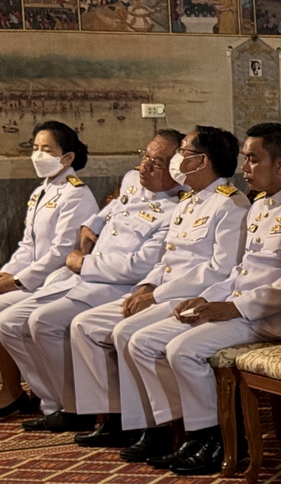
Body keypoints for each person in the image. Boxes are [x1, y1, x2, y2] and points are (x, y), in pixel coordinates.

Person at [125, 122, 281, 475]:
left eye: (253, 160)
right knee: (143, 341)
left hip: (273, 319)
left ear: (280, 164)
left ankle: (213, 438)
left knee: (182, 349)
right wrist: (204, 300)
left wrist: (233, 307)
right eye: (245, 159)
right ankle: (182, 432)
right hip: (239, 306)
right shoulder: (261, 205)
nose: (245, 168)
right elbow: (239, 272)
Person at [69, 126, 249, 456]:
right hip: (165, 291)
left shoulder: (230, 205)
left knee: (131, 335)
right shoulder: (188, 202)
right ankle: (142, 423)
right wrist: (147, 286)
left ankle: (164, 426)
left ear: (201, 161)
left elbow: (218, 271)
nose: (177, 159)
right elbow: (167, 258)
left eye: (183, 152)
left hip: (195, 296)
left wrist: (159, 294)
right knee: (97, 326)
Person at [3, 130, 183, 434]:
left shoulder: (176, 209)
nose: (145, 167)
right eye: (145, 157)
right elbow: (114, 207)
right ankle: (57, 402)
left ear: (177, 171)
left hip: (115, 285)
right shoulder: (132, 179)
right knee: (11, 322)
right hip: (82, 277)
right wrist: (92, 223)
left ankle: (85, 410)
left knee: (42, 322)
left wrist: (84, 263)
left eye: (157, 163)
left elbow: (137, 267)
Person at [0, 121, 98, 419]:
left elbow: (59, 253)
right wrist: (7, 274)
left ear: (67, 157)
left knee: (7, 318)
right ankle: (17, 389)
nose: (38, 155)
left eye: (47, 149)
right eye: (35, 148)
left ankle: (51, 399)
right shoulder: (42, 191)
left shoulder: (76, 194)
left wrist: (17, 282)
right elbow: (28, 245)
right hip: (34, 279)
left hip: (59, 280)